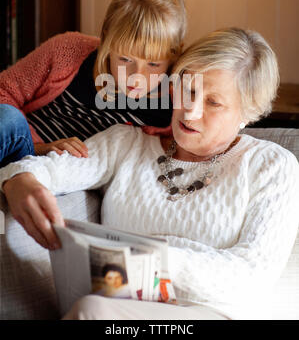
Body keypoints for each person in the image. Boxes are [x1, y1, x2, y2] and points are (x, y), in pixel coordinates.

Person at [1, 27, 298, 320]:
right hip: (115, 305)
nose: (190, 110)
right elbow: (50, 169)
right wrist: (19, 178)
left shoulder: (272, 166)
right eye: (189, 89)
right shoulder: (127, 143)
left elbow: (252, 276)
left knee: (93, 311)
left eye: (213, 102)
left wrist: (151, 262)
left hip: (211, 312)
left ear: (248, 112)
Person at [0, 0, 186, 167]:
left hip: (61, 172)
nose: (136, 77)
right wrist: (41, 148)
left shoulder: (172, 106)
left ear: (174, 55)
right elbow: (3, 91)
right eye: (125, 59)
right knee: (6, 117)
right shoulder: (68, 50)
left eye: (153, 65)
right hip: (20, 145)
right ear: (106, 39)